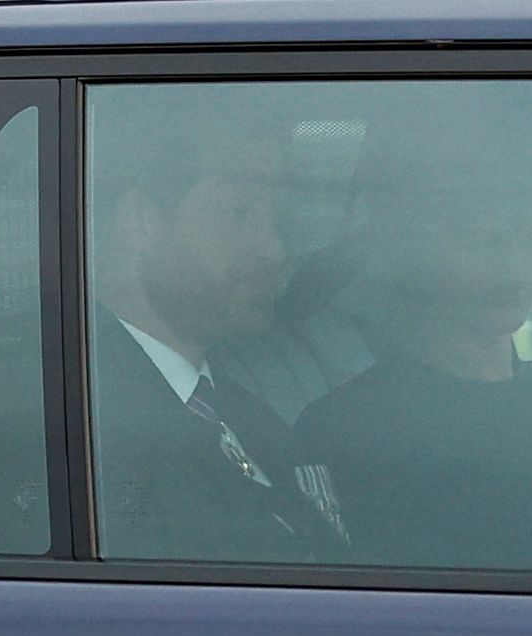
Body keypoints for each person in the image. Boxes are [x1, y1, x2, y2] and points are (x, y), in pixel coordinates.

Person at [293, 86, 532, 573]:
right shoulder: (344, 428)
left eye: (526, 230)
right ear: (410, 253)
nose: (510, 262)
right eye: (477, 237)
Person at [88, 114, 346, 563]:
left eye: (276, 220)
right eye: (241, 211)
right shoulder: (57, 417)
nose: (274, 249)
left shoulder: (247, 413)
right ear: (142, 221)